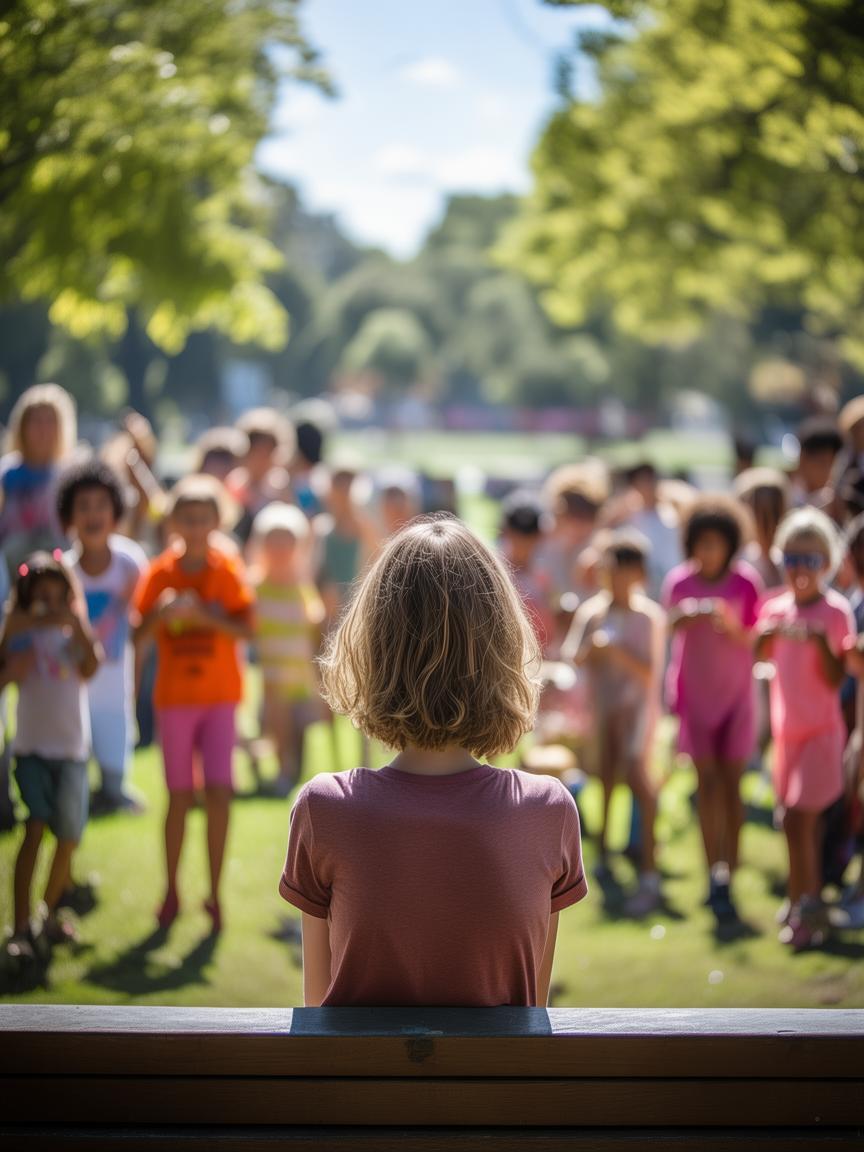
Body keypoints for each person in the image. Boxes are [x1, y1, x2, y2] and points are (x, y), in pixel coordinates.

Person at [279, 514, 587, 1007]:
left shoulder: (324, 809)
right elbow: (531, 1007)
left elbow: (319, 1012)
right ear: (502, 649)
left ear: (374, 651)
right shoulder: (547, 811)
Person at [132, 475, 255, 933]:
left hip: (220, 699)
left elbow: (248, 629)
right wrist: (162, 613)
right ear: (173, 522)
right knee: (179, 798)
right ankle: (171, 891)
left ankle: (215, 894)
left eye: (204, 518)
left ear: (218, 521)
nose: (196, 527)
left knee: (220, 794)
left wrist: (204, 616)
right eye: (187, 518)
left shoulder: (228, 571)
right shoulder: (159, 574)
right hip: (175, 701)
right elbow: (136, 636)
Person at [755, 509, 855, 950]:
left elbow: (837, 679)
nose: (799, 569)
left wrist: (817, 641)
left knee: (801, 820)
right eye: (792, 559)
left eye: (810, 560)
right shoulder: (775, 607)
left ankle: (808, 911)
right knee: (792, 824)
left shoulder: (835, 612)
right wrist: (768, 632)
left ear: (827, 564)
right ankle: (800, 899)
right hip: (787, 736)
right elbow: (758, 652)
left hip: (821, 735)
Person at [663, 496, 762, 924]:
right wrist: (684, 617)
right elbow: (667, 626)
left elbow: (757, 639)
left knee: (732, 787)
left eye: (716, 543)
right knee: (706, 787)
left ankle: (731, 874)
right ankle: (711, 875)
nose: (708, 551)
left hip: (737, 700)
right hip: (696, 701)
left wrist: (730, 625)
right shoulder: (679, 583)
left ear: (730, 544)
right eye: (702, 543)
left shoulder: (746, 583)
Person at [2, 552, 100, 962]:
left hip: (72, 750)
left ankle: (49, 912)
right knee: (35, 828)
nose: (50, 602)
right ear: (27, 595)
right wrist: (11, 652)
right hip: (31, 749)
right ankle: (21, 925)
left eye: (58, 594)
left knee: (69, 837)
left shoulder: (71, 631)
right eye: (41, 594)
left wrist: (78, 628)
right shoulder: (19, 632)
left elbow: (91, 667)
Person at [562, 531, 665, 915]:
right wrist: (594, 650)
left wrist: (617, 652)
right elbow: (574, 657)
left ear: (637, 574)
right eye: (609, 570)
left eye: (621, 571)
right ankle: (604, 853)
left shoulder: (648, 617)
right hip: (603, 712)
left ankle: (650, 870)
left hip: (637, 715)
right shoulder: (593, 612)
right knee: (604, 779)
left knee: (639, 783)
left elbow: (650, 670)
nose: (614, 578)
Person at [58, 458, 148, 813]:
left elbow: (141, 627)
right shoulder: (63, 569)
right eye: (83, 506)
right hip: (71, 686)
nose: (93, 514)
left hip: (115, 684)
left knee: (114, 780)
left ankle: (111, 792)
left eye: (101, 505)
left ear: (116, 511)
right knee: (72, 770)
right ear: (69, 515)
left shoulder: (130, 563)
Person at [250, 502, 324, 796]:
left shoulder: (301, 585)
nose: (280, 549)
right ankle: (278, 770)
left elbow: (314, 620)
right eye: (274, 541)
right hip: (271, 673)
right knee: (274, 724)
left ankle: (293, 773)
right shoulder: (255, 586)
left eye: (287, 541)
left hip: (299, 672)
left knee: (298, 727)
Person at [0, 383, 76, 577]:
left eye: (50, 421)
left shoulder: (69, 474)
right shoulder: (6, 474)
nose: (43, 429)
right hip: (12, 564)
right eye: (36, 421)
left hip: (58, 562)